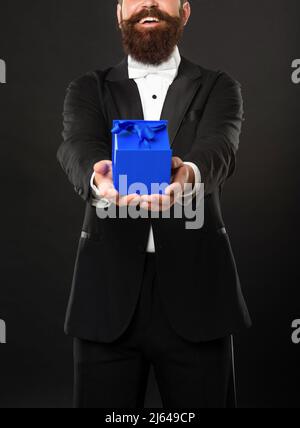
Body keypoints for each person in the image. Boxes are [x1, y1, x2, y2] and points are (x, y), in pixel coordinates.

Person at [57, 0, 252, 408]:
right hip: (106, 295)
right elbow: (76, 146)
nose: (148, 2)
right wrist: (98, 178)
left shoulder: (219, 85)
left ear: (184, 11)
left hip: (198, 294)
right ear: (118, 12)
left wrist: (190, 175)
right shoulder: (87, 88)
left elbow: (220, 149)